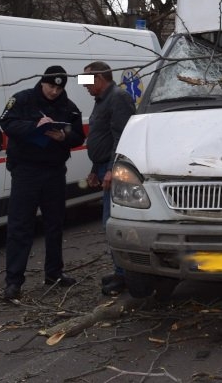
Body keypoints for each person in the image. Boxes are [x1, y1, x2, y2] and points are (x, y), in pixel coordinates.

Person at [0, 65, 85, 300]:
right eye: (51, 86)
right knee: (20, 227)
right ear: (42, 82)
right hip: (26, 172)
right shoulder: (24, 99)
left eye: (59, 87)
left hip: (54, 172)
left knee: (55, 224)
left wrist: (64, 136)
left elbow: (79, 135)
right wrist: (34, 127)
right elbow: (6, 123)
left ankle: (54, 273)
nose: (54, 91)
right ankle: (14, 282)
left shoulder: (68, 107)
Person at [82, 61, 136, 295]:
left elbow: (122, 137)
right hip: (105, 165)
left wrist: (113, 169)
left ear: (99, 78)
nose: (84, 86)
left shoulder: (118, 97)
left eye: (87, 81)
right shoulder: (102, 100)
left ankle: (125, 275)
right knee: (108, 223)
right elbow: (101, 136)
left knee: (112, 223)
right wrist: (96, 168)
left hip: (116, 168)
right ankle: (120, 271)